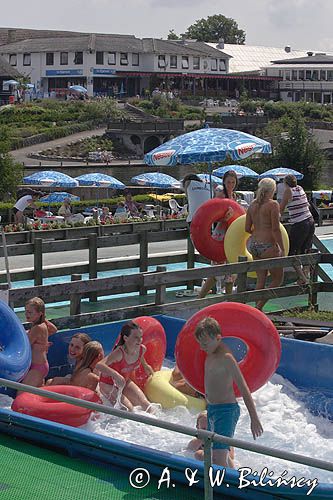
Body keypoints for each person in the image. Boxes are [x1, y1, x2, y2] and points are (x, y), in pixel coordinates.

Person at [194, 317, 263, 468]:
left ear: (218, 338)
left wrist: (254, 417)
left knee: (218, 456)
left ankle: (224, 486)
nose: (201, 347)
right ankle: (231, 476)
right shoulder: (210, 352)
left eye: (204, 343)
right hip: (212, 409)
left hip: (226, 412)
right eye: (200, 343)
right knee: (215, 452)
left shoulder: (226, 358)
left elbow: (243, 388)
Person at [97, 321, 155, 412]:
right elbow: (99, 365)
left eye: (140, 337)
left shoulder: (141, 349)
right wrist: (116, 375)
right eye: (136, 337)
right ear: (125, 338)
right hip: (108, 384)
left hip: (125, 382)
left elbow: (141, 357)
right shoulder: (119, 353)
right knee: (128, 410)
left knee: (146, 405)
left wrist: (145, 366)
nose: (139, 340)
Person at [245, 178, 285, 310]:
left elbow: (247, 228)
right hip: (267, 246)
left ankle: (256, 309)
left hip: (254, 246)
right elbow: (275, 229)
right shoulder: (273, 205)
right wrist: (282, 248)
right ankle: (258, 308)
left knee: (260, 279)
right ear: (272, 190)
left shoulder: (252, 205)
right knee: (277, 279)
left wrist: (258, 232)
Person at [199, 170, 238, 298]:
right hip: (221, 234)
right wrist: (224, 219)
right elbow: (213, 216)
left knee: (231, 271)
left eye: (233, 182)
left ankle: (228, 299)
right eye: (228, 182)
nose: (231, 185)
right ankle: (200, 297)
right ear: (224, 182)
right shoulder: (220, 195)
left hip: (232, 234)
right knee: (216, 271)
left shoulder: (235, 196)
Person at [279, 174, 315, 285]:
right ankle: (305, 277)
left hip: (300, 223)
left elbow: (281, 208)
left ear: (285, 183)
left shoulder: (288, 191)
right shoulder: (300, 188)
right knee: (305, 250)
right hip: (310, 220)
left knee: (291, 252)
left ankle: (302, 278)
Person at [22, 297, 57, 387]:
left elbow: (25, 345)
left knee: (21, 394)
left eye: (30, 312)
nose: (26, 314)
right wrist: (42, 343)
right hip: (41, 365)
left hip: (36, 367)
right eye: (25, 311)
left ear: (39, 313)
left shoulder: (36, 328)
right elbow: (54, 329)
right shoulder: (43, 325)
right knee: (36, 394)